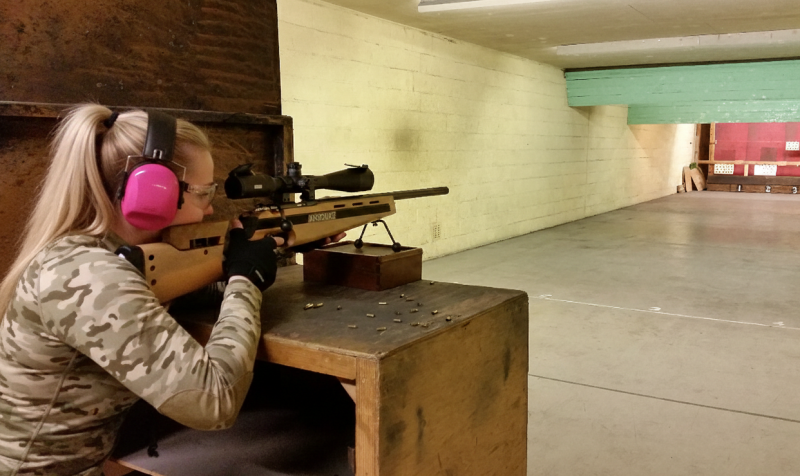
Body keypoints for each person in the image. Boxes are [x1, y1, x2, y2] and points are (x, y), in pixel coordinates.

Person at [0, 104, 282, 475]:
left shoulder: (89, 254)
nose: (210, 206)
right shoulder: (88, 275)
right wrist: (246, 279)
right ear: (153, 193)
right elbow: (215, 400)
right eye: (203, 193)